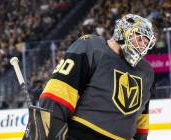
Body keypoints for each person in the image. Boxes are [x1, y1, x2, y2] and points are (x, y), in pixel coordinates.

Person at [23, 14, 156, 140]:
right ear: (122, 32)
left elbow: (142, 121)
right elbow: (57, 96)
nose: (143, 45)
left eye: (146, 42)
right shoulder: (91, 47)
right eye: (139, 38)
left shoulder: (145, 71)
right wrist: (48, 132)